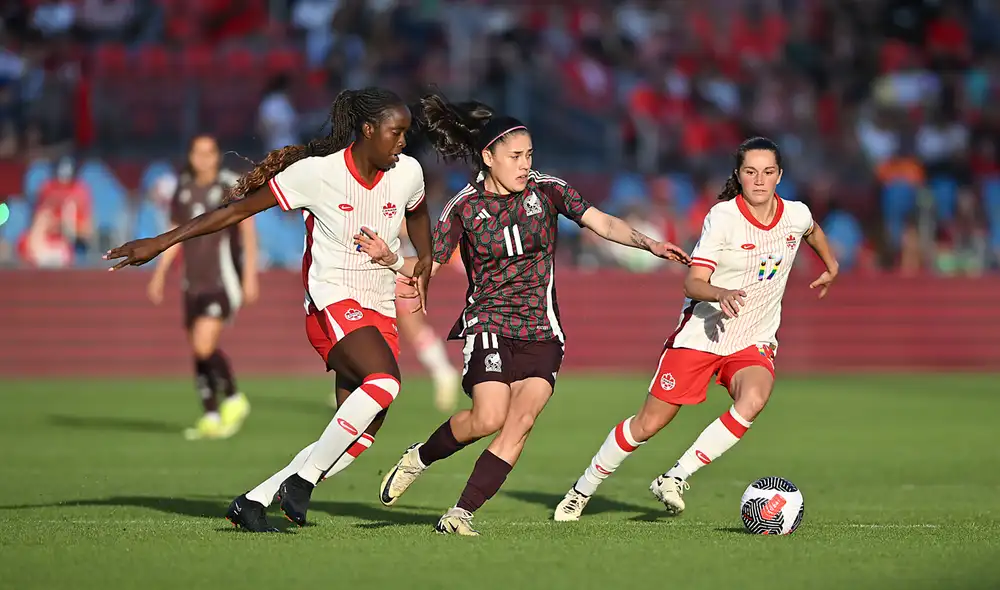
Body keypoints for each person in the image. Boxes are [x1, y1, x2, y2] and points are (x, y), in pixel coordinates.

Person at [354, 94, 690, 536]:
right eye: (515, 156)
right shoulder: (464, 207)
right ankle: (421, 456)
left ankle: (460, 514)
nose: (523, 164)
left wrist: (650, 244)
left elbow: (602, 222)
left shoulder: (547, 189)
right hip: (489, 322)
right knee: (488, 417)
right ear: (488, 157)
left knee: (521, 421)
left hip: (542, 329)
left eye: (529, 155)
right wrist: (391, 259)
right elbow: (431, 265)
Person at [104, 87, 434, 533]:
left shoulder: (407, 172)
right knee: (386, 382)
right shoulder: (317, 175)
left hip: (379, 307)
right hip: (332, 301)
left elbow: (417, 213)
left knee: (354, 439)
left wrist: (426, 260)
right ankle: (301, 482)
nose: (403, 143)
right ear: (368, 129)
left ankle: (254, 501)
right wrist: (160, 243)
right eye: (396, 133)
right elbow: (235, 212)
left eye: (407, 134)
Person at [551, 137, 840, 522]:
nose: (759, 180)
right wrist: (720, 292)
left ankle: (674, 477)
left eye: (768, 172)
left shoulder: (796, 214)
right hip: (703, 334)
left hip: (753, 337)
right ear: (738, 175)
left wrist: (831, 264)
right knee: (647, 424)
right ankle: (582, 489)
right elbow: (692, 284)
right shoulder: (722, 218)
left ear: (779, 176)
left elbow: (812, 230)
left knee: (753, 399)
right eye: (750, 172)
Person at [146, 134, 257, 441]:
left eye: (210, 152)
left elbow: (247, 229)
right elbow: (172, 234)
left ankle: (234, 398)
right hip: (191, 282)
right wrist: (159, 273)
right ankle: (210, 413)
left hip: (222, 280)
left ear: (218, 155)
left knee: (204, 344)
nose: (204, 158)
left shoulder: (229, 186)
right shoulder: (182, 189)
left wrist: (250, 274)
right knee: (197, 349)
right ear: (191, 156)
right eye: (198, 152)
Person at [328, 221, 460, 414]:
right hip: (370, 266)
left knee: (410, 323)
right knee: (366, 322)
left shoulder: (394, 194)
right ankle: (359, 385)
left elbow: (409, 224)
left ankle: (443, 372)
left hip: (396, 263)